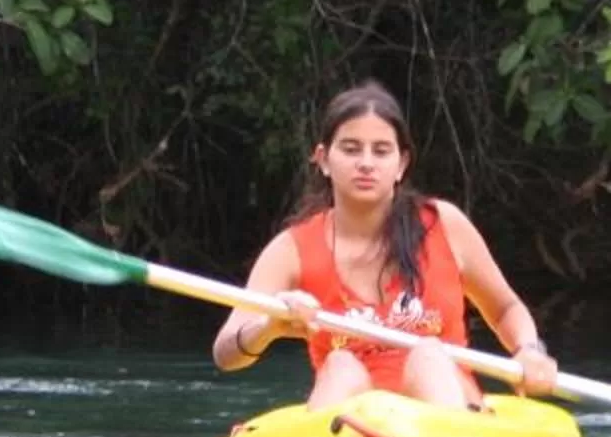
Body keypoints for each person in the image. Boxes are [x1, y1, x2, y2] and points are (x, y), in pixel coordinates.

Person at [211, 81, 561, 406]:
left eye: (381, 151)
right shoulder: (290, 250)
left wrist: (529, 350)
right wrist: (268, 326)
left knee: (427, 356)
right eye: (351, 149)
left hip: (446, 413)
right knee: (340, 364)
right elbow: (226, 353)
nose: (366, 163)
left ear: (401, 163)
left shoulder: (445, 225)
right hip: (351, 427)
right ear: (324, 160)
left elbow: (504, 309)